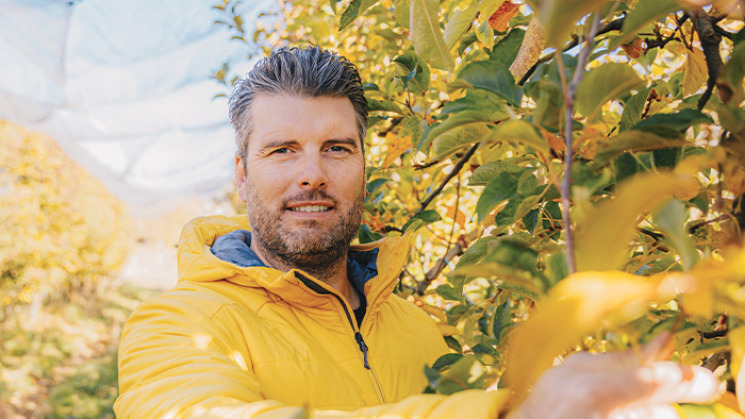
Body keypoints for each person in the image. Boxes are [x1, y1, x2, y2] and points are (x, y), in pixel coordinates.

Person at [114, 46, 720, 418]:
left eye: (336, 147)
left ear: (363, 166)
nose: (312, 175)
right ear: (242, 177)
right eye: (282, 150)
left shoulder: (417, 328)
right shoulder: (178, 324)